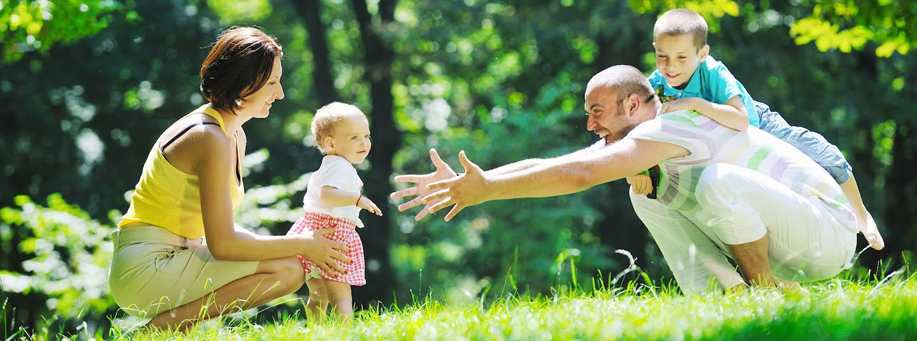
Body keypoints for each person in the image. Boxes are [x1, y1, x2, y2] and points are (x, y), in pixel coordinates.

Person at [391, 65, 858, 294]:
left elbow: (580, 174)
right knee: (649, 198)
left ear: (633, 106)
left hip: (827, 233)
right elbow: (562, 160)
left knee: (714, 182)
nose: (592, 124)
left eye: (597, 111)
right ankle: (726, 299)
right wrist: (481, 181)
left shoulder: (669, 125)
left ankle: (762, 294)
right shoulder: (641, 141)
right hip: (786, 236)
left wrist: (488, 190)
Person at [108, 27, 351, 332]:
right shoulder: (208, 136)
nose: (280, 93)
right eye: (272, 83)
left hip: (179, 253)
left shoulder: (232, 134)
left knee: (290, 266)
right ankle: (160, 329)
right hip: (146, 266)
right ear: (245, 84)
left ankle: (164, 328)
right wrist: (302, 243)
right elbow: (223, 244)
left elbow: (221, 233)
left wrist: (300, 243)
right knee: (289, 270)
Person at [627, 8, 884, 250]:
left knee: (821, 153)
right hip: (718, 149)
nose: (671, 66)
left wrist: (694, 103)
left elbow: (740, 120)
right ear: (654, 49)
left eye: (682, 58)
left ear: (702, 54)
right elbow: (640, 131)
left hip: (757, 126)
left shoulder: (713, 72)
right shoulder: (656, 85)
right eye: (663, 56)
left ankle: (861, 214)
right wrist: (637, 168)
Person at [286, 102, 382, 323]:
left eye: (366, 136)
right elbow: (327, 195)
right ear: (331, 143)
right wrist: (358, 199)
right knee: (340, 296)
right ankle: (344, 333)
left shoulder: (330, 164)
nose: (364, 143)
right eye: (354, 138)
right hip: (333, 234)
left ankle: (315, 332)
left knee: (319, 295)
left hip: (316, 230)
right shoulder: (340, 167)